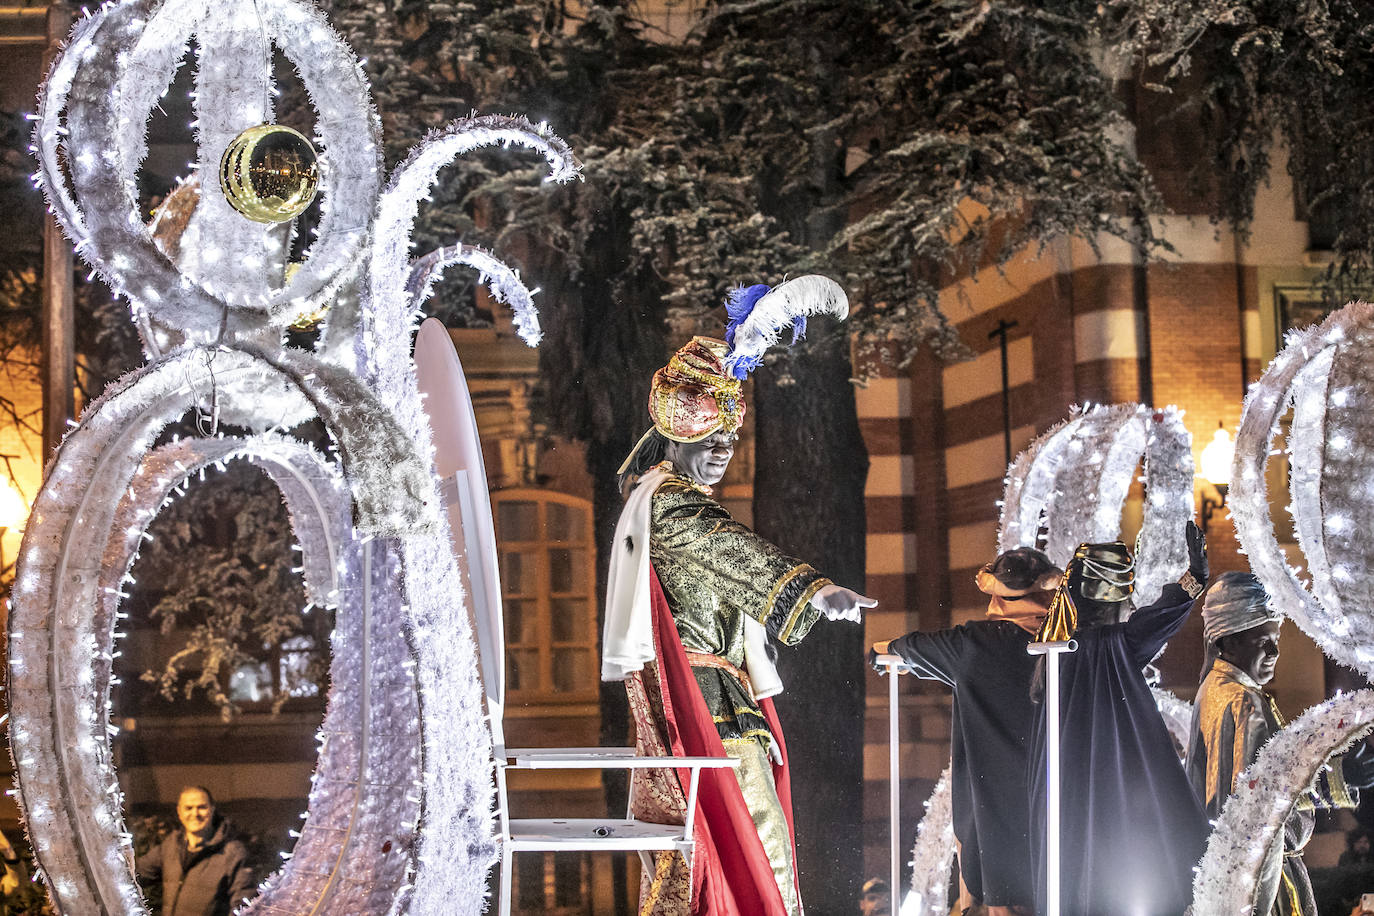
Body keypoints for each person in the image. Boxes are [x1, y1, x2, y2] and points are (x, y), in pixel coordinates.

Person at [602, 335, 873, 916]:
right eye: (710, 438)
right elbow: (731, 550)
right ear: (677, 435)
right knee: (749, 840)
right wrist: (814, 589)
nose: (724, 450)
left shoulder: (665, 496)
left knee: (720, 849)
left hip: (717, 690)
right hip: (705, 701)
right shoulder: (671, 503)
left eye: (730, 438)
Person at [1028, 525, 1210, 916]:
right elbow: (1159, 618)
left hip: (1065, 791)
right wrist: (1195, 579)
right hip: (1117, 791)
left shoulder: (1053, 652)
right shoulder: (1115, 646)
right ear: (1116, 597)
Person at [869, 547, 1061, 916]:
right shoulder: (1068, 641)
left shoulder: (974, 644)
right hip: (1059, 786)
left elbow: (907, 648)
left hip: (994, 797)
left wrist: (885, 653)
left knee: (1000, 897)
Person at [1185, 571, 1374, 916]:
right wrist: (1336, 780)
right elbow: (1259, 796)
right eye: (1263, 641)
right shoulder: (1242, 702)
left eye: (1276, 638)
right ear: (1227, 642)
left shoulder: (1213, 690)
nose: (1274, 651)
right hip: (1266, 884)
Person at [136, 786, 253, 916]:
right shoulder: (172, 845)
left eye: (202, 807)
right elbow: (137, 875)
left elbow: (243, 907)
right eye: (188, 808)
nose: (195, 814)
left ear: (212, 810)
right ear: (179, 812)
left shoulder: (232, 852)